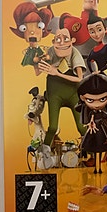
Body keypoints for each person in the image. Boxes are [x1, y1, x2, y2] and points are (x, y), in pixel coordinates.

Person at [37, 28, 86, 164]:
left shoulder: (74, 53)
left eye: (65, 38)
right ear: (53, 41)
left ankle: (89, 152)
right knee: (53, 127)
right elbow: (39, 68)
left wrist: (57, 73)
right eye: (58, 39)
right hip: (55, 92)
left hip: (72, 92)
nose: (61, 42)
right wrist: (37, 59)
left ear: (72, 40)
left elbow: (79, 78)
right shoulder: (51, 51)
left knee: (82, 127)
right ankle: (43, 156)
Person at [76, 73, 107, 173]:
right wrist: (90, 124)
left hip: (103, 133)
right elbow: (90, 120)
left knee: (100, 150)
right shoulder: (90, 113)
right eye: (90, 100)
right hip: (94, 133)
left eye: (102, 99)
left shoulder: (105, 114)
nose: (96, 104)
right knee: (95, 150)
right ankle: (96, 167)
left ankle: (98, 167)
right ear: (82, 98)